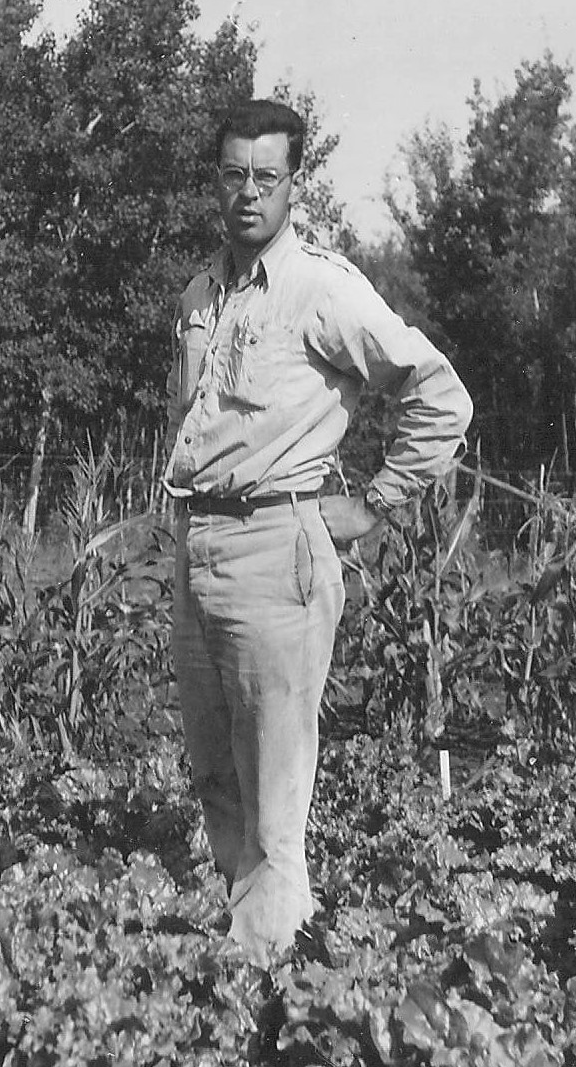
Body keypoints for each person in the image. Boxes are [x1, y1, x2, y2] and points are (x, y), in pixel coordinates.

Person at [163, 98, 472, 965]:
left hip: (278, 550)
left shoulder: (321, 286)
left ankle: (279, 985)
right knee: (215, 773)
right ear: (216, 182)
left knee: (273, 791)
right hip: (201, 548)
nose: (247, 194)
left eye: (266, 177)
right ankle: (250, 947)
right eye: (233, 176)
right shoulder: (199, 294)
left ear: (294, 183)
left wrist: (376, 501)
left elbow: (437, 392)